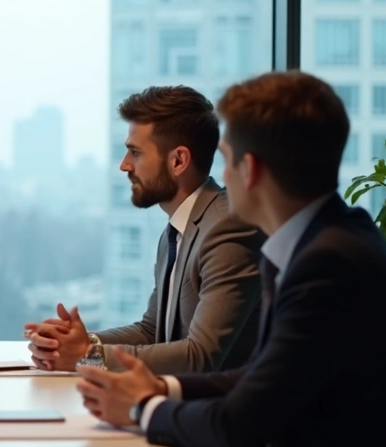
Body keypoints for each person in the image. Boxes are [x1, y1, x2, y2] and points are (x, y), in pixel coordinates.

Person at [76, 71, 386, 447]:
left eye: (226, 159)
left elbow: (236, 424)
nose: (219, 178)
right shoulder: (322, 242)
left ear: (251, 169)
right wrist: (161, 388)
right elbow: (258, 376)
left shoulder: (326, 264)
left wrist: (141, 409)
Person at [25, 86, 263, 374]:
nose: (124, 165)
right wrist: (74, 344)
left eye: (135, 153)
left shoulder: (227, 229)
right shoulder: (177, 229)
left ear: (178, 161)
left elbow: (200, 356)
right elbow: (152, 330)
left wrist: (87, 355)